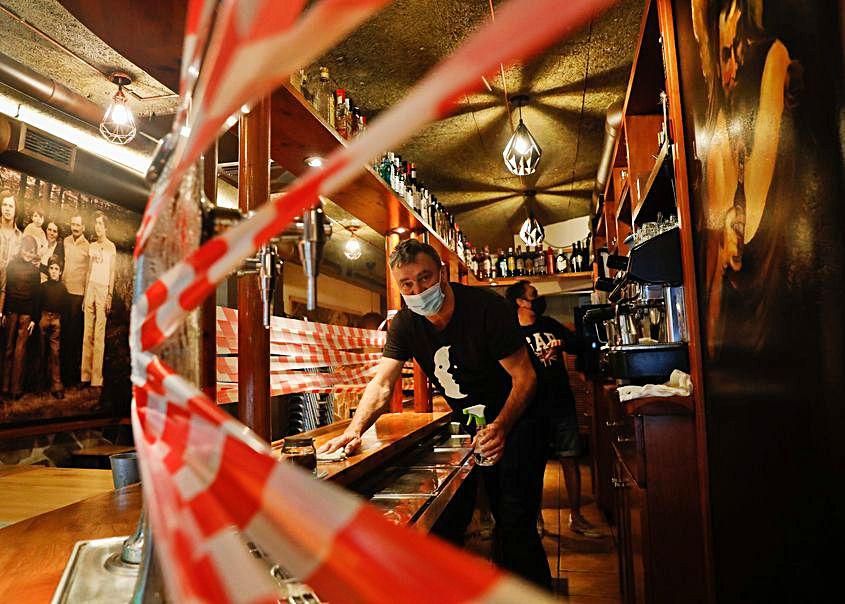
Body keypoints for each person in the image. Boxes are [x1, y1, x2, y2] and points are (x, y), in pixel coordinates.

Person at [319, 239, 550, 588]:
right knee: (476, 523)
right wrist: (355, 430)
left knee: (516, 525)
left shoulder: (485, 309)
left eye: (425, 278)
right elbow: (383, 383)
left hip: (519, 421)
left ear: (442, 273)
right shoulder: (406, 325)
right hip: (475, 426)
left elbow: (525, 376)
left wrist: (502, 426)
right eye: (407, 284)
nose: (417, 290)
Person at [505, 280, 600, 538]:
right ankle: (536, 518)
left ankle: (577, 517)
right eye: (533, 295)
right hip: (531, 409)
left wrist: (562, 344)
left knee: (570, 458)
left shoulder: (549, 324)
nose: (538, 298)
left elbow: (579, 344)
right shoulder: (510, 332)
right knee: (533, 466)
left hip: (562, 403)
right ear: (520, 302)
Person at [0, 235, 40, 400]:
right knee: (8, 348)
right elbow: (6, 290)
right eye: (26, 250)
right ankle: (4, 386)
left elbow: (37, 297)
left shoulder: (35, 271)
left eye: (32, 252)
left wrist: (34, 319)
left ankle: (16, 389)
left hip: (26, 314)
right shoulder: (11, 266)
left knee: (20, 351)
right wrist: (3, 312)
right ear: (21, 248)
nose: (29, 254)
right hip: (11, 312)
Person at [81, 211, 116, 390]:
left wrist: (109, 295)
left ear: (106, 227)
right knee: (87, 332)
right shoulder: (92, 246)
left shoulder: (111, 247)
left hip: (103, 289)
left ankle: (96, 378)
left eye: (101, 224)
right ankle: (85, 376)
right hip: (91, 287)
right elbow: (88, 270)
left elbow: (111, 273)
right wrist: (86, 292)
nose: (98, 227)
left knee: (99, 333)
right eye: (96, 224)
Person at [62, 212, 89, 385]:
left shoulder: (88, 247)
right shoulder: (65, 241)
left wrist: (86, 297)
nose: (75, 227)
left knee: (73, 336)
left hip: (77, 295)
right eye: (73, 224)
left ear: (83, 227)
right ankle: (61, 375)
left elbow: (89, 273)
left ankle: (72, 377)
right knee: (63, 334)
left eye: (78, 225)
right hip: (63, 293)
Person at [38, 255, 67, 399]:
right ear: (48, 270)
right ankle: (40, 385)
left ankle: (56, 386)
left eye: (57, 269)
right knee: (41, 352)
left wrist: (60, 320)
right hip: (43, 319)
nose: (54, 271)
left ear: (60, 272)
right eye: (52, 268)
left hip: (56, 321)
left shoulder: (62, 288)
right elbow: (37, 305)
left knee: (55, 354)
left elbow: (65, 309)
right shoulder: (43, 287)